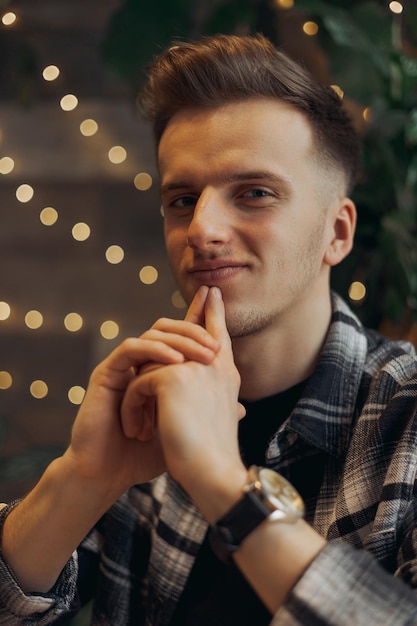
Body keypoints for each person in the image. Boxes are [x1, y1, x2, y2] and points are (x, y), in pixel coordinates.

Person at [1, 32, 417, 626]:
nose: (202, 227)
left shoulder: (407, 417)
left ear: (338, 233)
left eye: (254, 193)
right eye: (182, 199)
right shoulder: (144, 417)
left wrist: (220, 480)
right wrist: (84, 476)